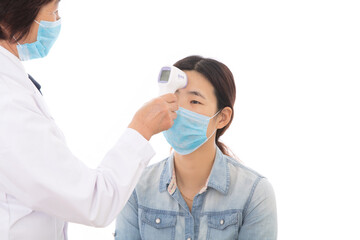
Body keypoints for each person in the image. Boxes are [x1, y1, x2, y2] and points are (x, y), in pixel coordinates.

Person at [0, 0, 178, 239]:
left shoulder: (13, 82)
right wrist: (142, 128)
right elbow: (94, 203)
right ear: (8, 19)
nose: (56, 22)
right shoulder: (9, 100)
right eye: (53, 12)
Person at [115, 56, 277, 240]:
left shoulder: (254, 193)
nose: (178, 110)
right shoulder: (135, 188)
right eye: (173, 99)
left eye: (194, 102)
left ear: (222, 117)